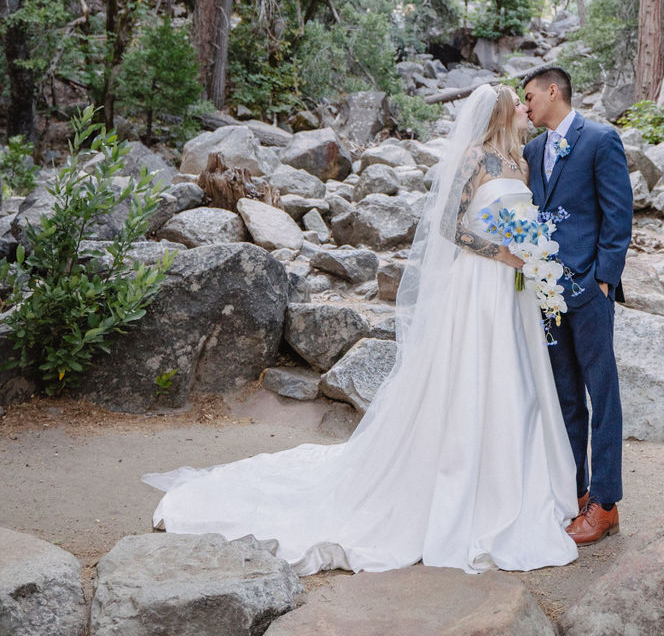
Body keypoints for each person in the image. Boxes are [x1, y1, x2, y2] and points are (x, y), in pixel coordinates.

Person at [143, 85, 578, 574]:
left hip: (512, 291)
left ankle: (513, 484)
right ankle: (461, 483)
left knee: (516, 384)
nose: (525, 107)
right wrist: (503, 252)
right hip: (479, 286)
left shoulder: (520, 163)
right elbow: (449, 228)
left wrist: (534, 253)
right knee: (474, 377)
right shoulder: (475, 159)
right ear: (500, 111)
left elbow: (525, 220)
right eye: (517, 103)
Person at [522, 65, 633, 546]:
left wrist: (604, 281)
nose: (525, 106)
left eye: (529, 97)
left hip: (589, 291)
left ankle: (605, 504)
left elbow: (618, 212)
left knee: (601, 394)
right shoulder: (531, 149)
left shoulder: (599, 139)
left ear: (553, 91)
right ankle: (575, 493)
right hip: (546, 293)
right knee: (565, 396)